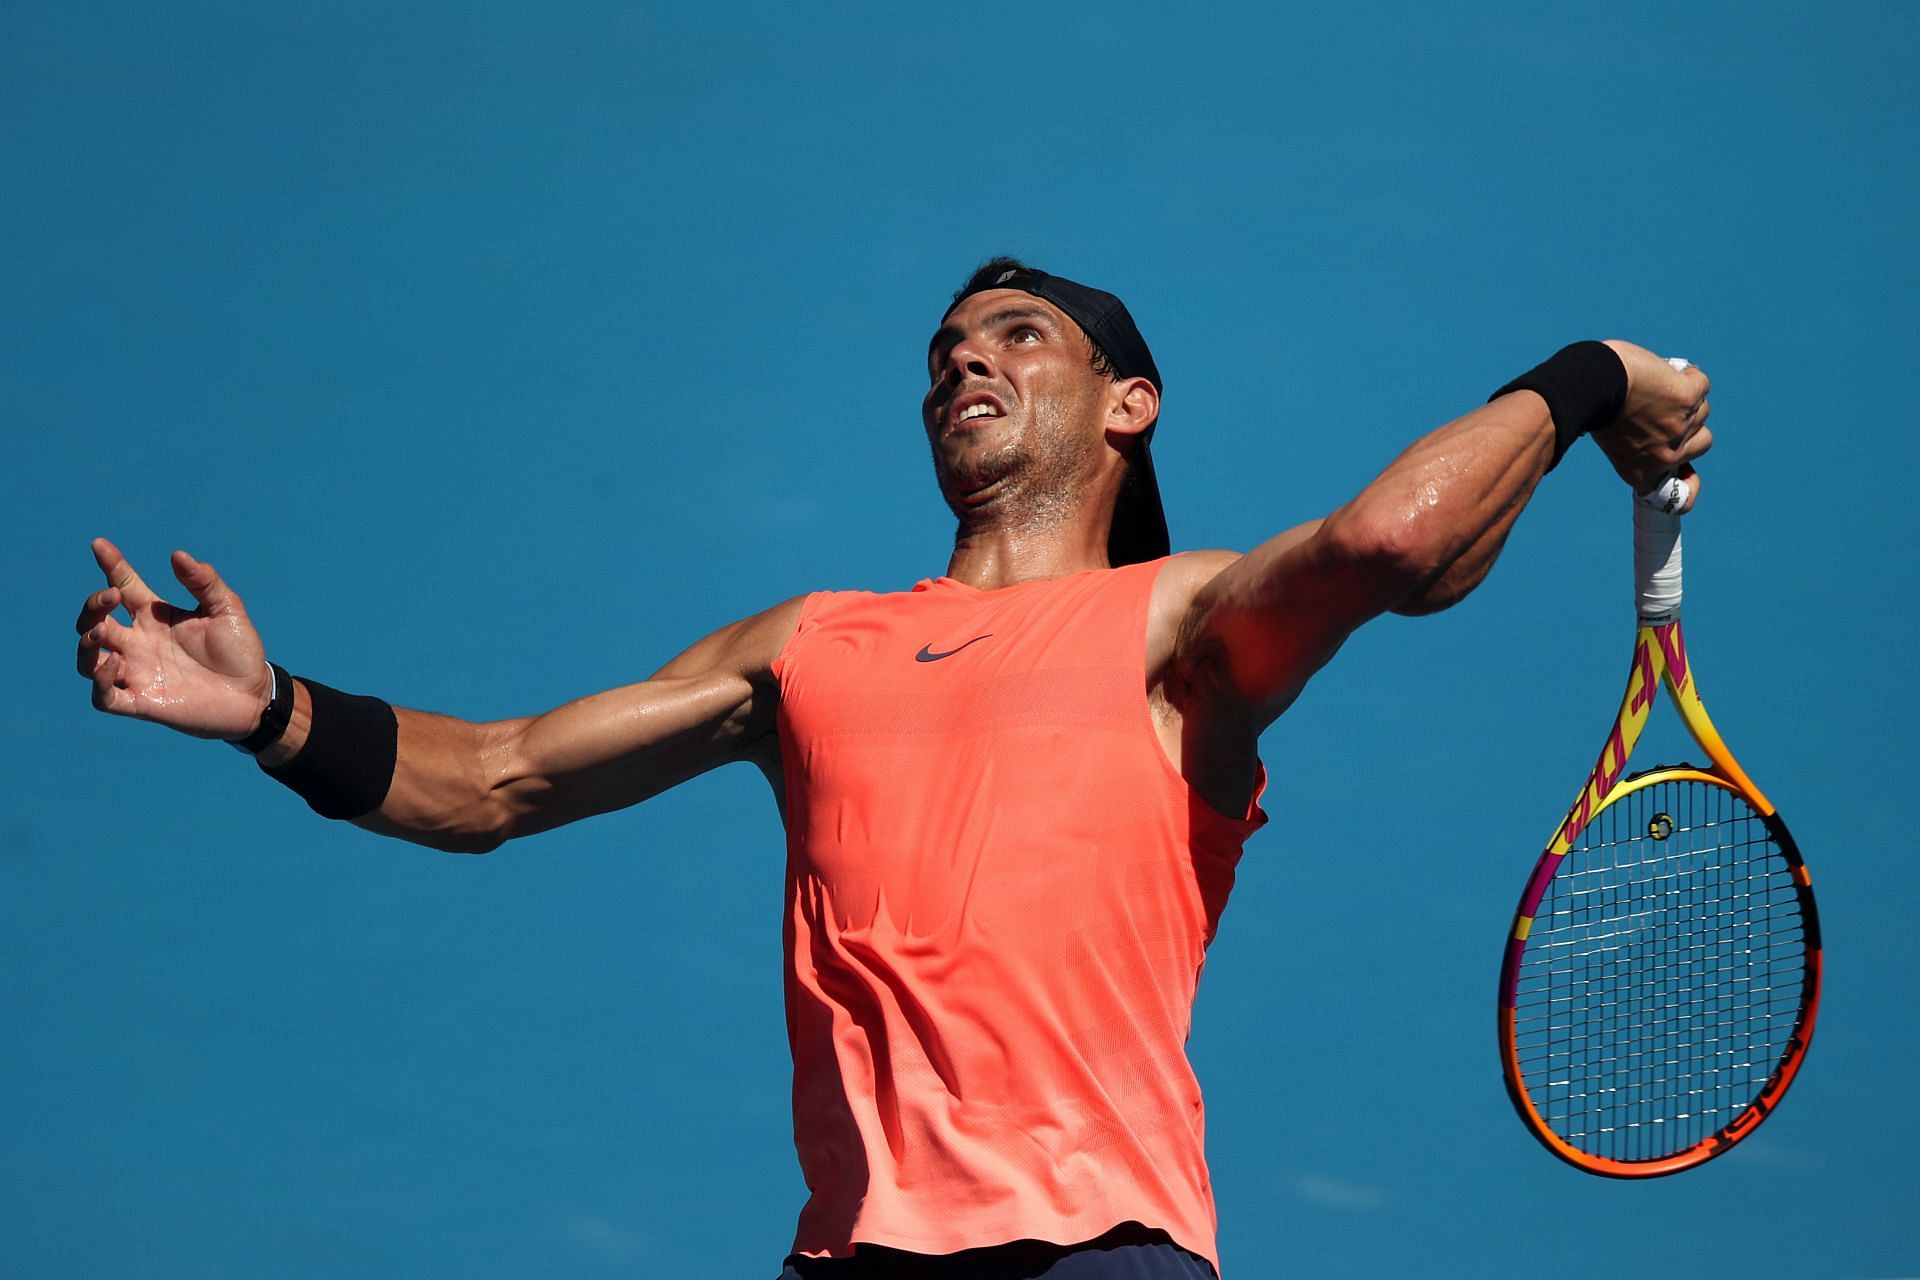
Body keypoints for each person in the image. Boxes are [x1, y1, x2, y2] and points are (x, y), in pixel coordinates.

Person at [74, 258, 1711, 1278]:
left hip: (1096, 1257)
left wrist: (1592, 380)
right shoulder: (806, 646)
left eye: (1019, 334)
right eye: (943, 349)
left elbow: (1393, 541)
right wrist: (271, 711)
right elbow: (494, 779)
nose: (963, 361)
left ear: (1130, 402)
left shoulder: (1182, 621)